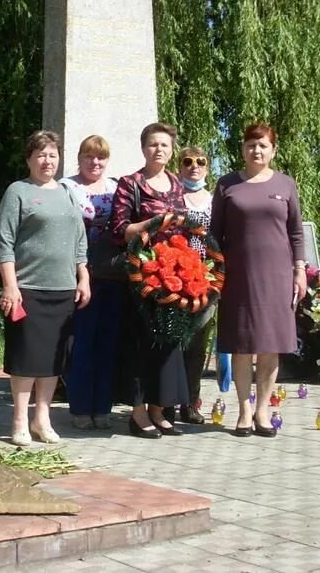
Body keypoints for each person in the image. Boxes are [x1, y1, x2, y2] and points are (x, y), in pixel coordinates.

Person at [209, 121, 307, 437]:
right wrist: (215, 272)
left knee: (269, 345)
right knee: (241, 344)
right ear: (242, 149)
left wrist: (300, 270)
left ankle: (263, 408)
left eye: (263, 145)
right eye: (251, 145)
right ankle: (244, 410)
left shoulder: (286, 184)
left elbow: (295, 232)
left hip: (277, 275)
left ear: (273, 150)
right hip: (238, 275)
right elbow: (214, 234)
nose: (257, 150)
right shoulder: (226, 185)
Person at [0, 131, 90, 446]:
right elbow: (4, 241)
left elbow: (79, 240)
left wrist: (83, 276)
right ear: (29, 159)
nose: (47, 161)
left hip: (63, 290)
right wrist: (10, 286)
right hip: (28, 289)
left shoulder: (66, 193)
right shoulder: (18, 191)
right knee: (26, 358)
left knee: (52, 360)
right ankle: (20, 420)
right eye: (41, 155)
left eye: (52, 155)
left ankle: (42, 419)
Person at [110, 122, 188, 439]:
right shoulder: (131, 184)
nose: (159, 150)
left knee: (169, 341)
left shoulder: (177, 185)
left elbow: (184, 228)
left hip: (173, 273)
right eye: (153, 144)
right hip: (140, 272)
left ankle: (160, 408)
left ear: (171, 151)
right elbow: (119, 230)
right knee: (140, 342)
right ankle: (138, 412)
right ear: (144, 149)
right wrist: (154, 224)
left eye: (165, 145)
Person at [60, 135, 122, 430]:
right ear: (79, 158)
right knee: (82, 343)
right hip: (79, 275)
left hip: (112, 274)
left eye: (101, 157)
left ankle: (103, 407)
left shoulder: (117, 187)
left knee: (108, 343)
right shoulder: (67, 188)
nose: (95, 162)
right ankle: (81, 407)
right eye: (89, 156)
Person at [176, 146, 215, 424]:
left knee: (197, 344)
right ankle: (166, 401)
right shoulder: (173, 197)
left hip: (206, 280)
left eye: (200, 162)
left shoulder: (214, 201)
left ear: (207, 167)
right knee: (172, 342)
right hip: (173, 277)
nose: (194, 166)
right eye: (187, 162)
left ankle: (190, 402)